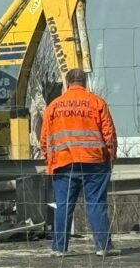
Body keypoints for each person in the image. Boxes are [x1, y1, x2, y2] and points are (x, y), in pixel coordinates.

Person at [39, 68, 119, 257]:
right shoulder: (97, 102)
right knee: (96, 204)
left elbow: (44, 140)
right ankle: (103, 247)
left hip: (64, 162)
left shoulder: (53, 106)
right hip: (94, 161)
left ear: (67, 84)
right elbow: (109, 135)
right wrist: (110, 157)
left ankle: (59, 249)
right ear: (85, 82)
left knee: (64, 205)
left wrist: (50, 159)